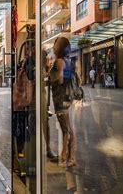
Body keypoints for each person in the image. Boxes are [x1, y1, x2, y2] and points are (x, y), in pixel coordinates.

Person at [49, 37, 76, 167]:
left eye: (56, 44)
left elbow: (59, 79)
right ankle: (66, 156)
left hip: (60, 99)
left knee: (66, 129)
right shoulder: (68, 61)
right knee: (67, 129)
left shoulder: (59, 61)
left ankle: (68, 158)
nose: (54, 46)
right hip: (66, 98)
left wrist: (48, 81)